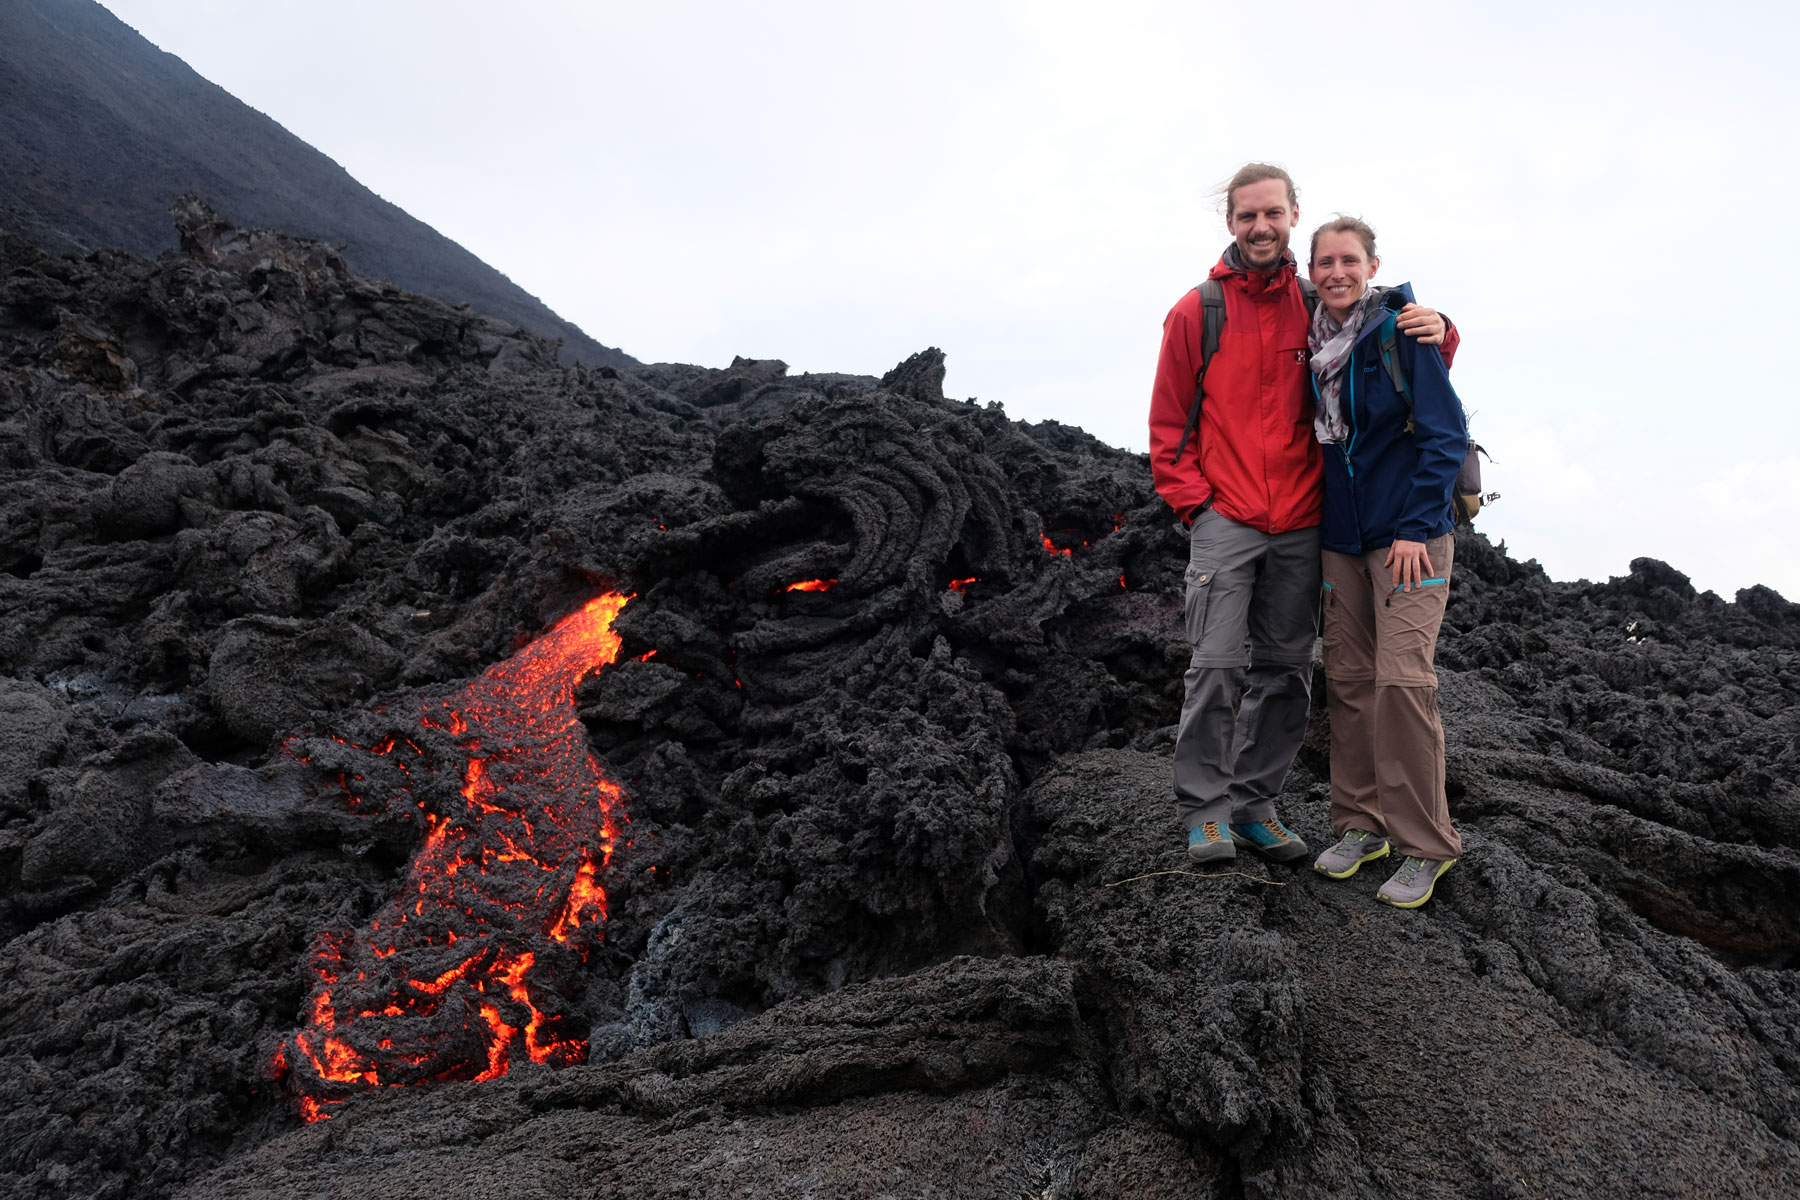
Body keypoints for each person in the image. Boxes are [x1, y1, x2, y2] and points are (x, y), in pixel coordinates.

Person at [1148, 164, 1456, 866]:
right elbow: (1168, 425)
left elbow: (1386, 334)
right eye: (1247, 215)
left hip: (1303, 522)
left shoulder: (1313, 301)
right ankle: (1204, 811)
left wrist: (1443, 326)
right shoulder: (1199, 311)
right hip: (1226, 516)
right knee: (1217, 666)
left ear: (1292, 217)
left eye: (1273, 214)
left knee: (1288, 671)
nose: (1261, 226)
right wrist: (1197, 506)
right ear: (1230, 223)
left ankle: (1255, 804)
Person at [1304, 215, 1465, 907]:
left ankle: (1426, 845)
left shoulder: (1404, 330)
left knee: (1403, 681)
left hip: (1411, 538)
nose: (1336, 272)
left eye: (1349, 260)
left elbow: (1445, 435)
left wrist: (1412, 529)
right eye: (1324, 263)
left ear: (1373, 265)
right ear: (1310, 272)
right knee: (1348, 680)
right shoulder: (1311, 345)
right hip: (1342, 537)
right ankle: (1360, 825)